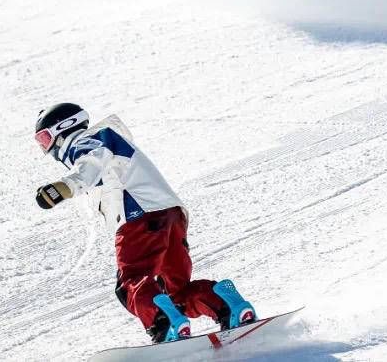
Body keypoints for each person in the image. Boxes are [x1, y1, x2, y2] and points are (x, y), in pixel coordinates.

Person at [32, 102, 256, 342]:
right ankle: (227, 304)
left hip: (139, 217)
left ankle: (164, 324)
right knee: (176, 291)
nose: (47, 149)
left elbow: (91, 164)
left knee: (131, 282)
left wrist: (64, 188)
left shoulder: (88, 140)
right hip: (171, 216)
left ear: (65, 127)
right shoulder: (109, 140)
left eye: (45, 139)